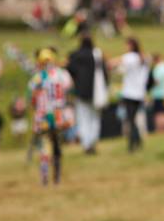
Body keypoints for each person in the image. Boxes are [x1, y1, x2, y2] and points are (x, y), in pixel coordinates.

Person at [27, 48, 73, 185]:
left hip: (43, 116)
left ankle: (45, 173)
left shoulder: (38, 77)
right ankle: (56, 176)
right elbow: (69, 88)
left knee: (44, 146)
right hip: (58, 114)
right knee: (57, 145)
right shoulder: (61, 74)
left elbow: (33, 98)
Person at [67, 34, 109, 154]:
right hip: (96, 92)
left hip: (80, 92)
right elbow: (105, 73)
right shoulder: (97, 55)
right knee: (94, 118)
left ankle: (86, 143)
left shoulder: (74, 55)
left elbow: (70, 70)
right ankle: (92, 141)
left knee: (82, 118)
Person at [110, 37, 149, 152]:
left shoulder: (131, 57)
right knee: (133, 119)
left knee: (130, 120)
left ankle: (132, 144)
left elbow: (114, 62)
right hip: (139, 93)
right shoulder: (143, 58)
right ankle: (137, 141)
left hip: (130, 93)